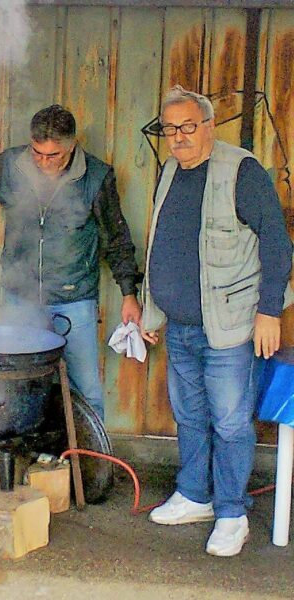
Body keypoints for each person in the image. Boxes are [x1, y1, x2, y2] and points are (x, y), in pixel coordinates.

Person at [141, 85, 293, 557]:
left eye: (188, 127)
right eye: (170, 129)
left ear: (208, 125)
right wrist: (152, 311)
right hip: (182, 324)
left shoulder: (240, 170)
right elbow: (161, 244)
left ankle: (231, 513)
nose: (179, 138)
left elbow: (276, 241)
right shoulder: (170, 170)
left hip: (229, 324)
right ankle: (194, 494)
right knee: (189, 415)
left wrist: (270, 311)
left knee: (229, 422)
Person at [0, 104, 141, 421]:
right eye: (38, 153)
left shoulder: (96, 177)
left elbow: (116, 239)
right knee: (18, 386)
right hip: (19, 296)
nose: (44, 162)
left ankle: (92, 466)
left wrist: (129, 292)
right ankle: (33, 461)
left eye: (54, 156)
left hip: (74, 298)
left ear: (72, 144)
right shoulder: (12, 165)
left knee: (86, 389)